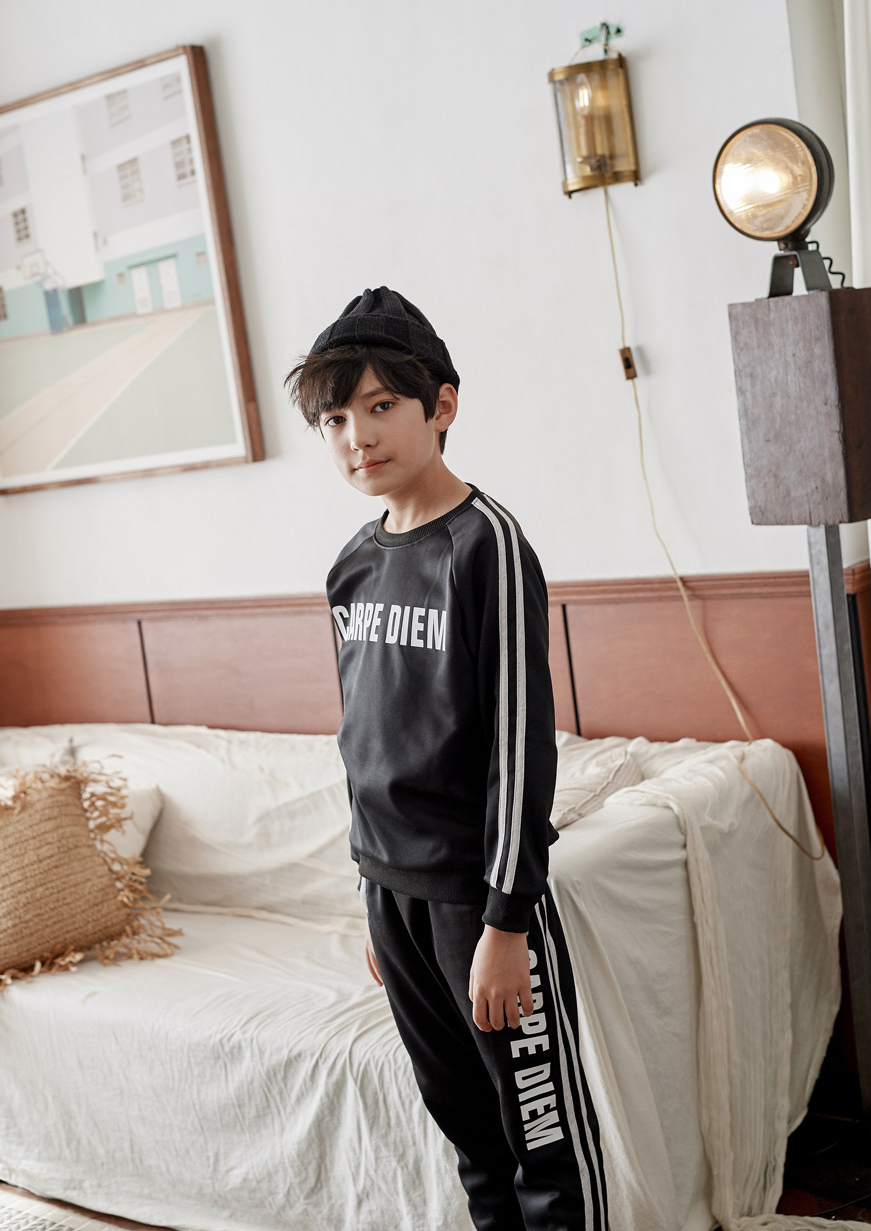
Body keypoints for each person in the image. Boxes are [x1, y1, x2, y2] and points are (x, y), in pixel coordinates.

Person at [284, 286, 608, 1231]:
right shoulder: (352, 563)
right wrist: (372, 896)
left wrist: (506, 922)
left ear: (442, 406)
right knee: (468, 1135)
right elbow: (366, 738)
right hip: (394, 896)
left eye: (381, 405)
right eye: (336, 419)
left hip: (480, 897)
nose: (357, 436)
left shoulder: (487, 547)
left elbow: (519, 743)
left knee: (537, 1139)